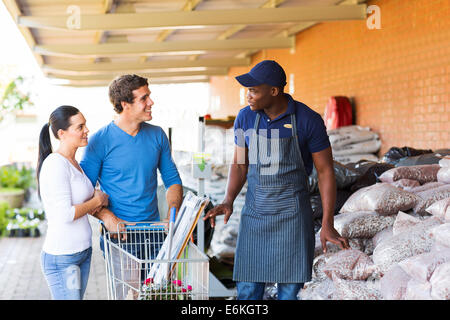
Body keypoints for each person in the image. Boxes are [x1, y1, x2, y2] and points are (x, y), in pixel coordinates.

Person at [203, 60, 350, 300]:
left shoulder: (307, 120)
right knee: (248, 290)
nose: (248, 96)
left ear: (274, 91)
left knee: (289, 292)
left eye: (253, 90)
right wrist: (228, 200)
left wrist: (327, 222)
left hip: (292, 217)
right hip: (254, 215)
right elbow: (240, 163)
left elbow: (325, 172)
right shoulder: (245, 118)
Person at [80, 74, 183, 259]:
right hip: (120, 235)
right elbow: (84, 191)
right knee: (129, 289)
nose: (151, 102)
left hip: (155, 233)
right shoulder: (99, 141)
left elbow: (172, 180)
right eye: (144, 98)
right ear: (125, 104)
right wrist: (107, 218)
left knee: (158, 289)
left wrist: (172, 215)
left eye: (149, 96)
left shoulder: (157, 135)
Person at [37, 105, 109, 300]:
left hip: (81, 253)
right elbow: (64, 214)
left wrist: (96, 197)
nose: (87, 130)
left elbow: (80, 195)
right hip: (63, 258)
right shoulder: (55, 164)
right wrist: (96, 201)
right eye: (80, 127)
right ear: (62, 133)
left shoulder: (74, 163)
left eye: (85, 125)